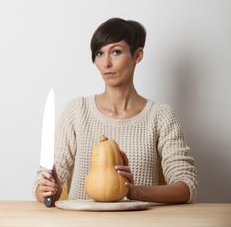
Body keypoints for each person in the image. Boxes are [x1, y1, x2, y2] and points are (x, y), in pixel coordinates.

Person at [34, 17, 198, 204]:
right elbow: (45, 183)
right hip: (80, 223)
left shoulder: (160, 116)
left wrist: (136, 192)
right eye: (99, 54)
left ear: (137, 55)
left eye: (116, 52)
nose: (106, 63)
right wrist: (47, 189)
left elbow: (186, 186)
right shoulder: (77, 111)